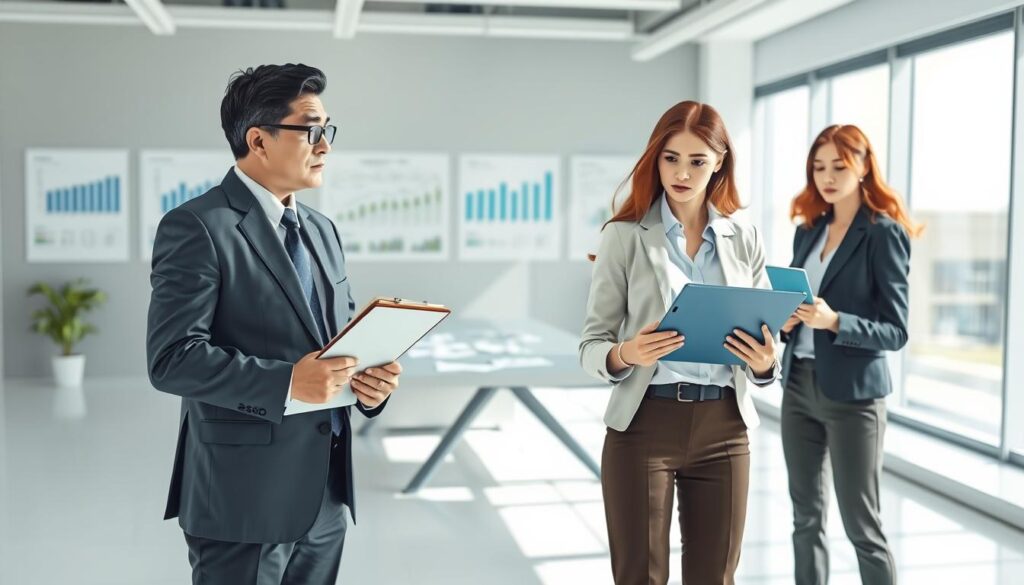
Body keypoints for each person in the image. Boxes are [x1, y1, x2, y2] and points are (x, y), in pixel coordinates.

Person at [146, 63, 402, 585]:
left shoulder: (321, 230)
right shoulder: (197, 226)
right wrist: (286, 381)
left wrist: (369, 384)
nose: (325, 144)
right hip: (242, 498)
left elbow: (334, 342)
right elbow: (172, 359)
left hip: (326, 495)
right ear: (258, 140)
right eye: (311, 130)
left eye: (328, 129)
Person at [579, 100, 779, 585]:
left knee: (715, 577)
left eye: (697, 161)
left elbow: (767, 343)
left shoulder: (744, 237)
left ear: (720, 164)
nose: (682, 173)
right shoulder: (624, 237)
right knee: (639, 577)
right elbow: (591, 344)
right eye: (671, 158)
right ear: (656, 158)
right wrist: (627, 352)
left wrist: (765, 362)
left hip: (725, 427)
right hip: (644, 424)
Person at [779, 124, 919, 585]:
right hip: (798, 385)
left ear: (863, 166)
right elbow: (799, 305)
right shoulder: (809, 233)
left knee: (863, 526)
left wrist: (835, 321)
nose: (828, 176)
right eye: (819, 167)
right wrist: (785, 321)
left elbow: (896, 331)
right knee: (805, 519)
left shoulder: (883, 234)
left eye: (839, 166)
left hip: (854, 399)